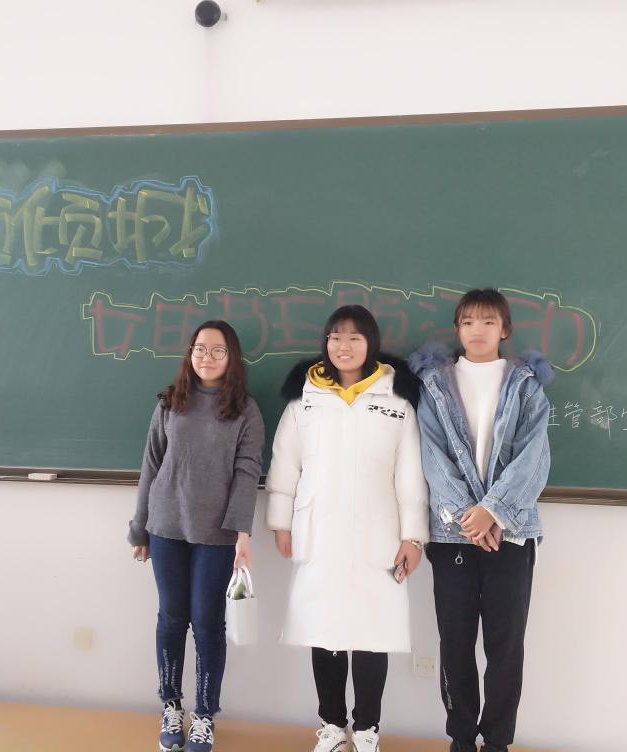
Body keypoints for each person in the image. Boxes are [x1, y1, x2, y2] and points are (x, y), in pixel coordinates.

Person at [266, 304, 429, 752]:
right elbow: (284, 466)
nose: (344, 345)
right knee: (325, 631)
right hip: (320, 532)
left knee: (374, 633)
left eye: (355, 337)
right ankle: (333, 727)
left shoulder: (396, 402)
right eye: (336, 336)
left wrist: (413, 536)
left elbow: (410, 475)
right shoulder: (305, 401)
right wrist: (281, 522)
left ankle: (368, 729)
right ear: (325, 343)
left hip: (380, 535)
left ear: (371, 343)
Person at [409, 288, 553, 752]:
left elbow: (534, 456)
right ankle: (460, 738)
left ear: (504, 330)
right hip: (452, 536)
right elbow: (431, 455)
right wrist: (468, 517)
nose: (477, 330)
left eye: (488, 321)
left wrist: (494, 511)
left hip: (511, 534)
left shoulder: (526, 385)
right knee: (455, 644)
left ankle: (496, 742)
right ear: (457, 329)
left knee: (505, 646)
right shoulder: (435, 384)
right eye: (468, 321)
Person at [128, 320, 265, 752]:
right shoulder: (171, 402)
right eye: (200, 348)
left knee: (207, 622)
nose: (207, 356)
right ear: (190, 353)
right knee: (172, 617)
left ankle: (205, 715)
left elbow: (248, 473)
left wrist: (243, 533)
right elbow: (151, 465)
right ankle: (171, 706)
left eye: (217, 350)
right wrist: (139, 528)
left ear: (232, 357)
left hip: (216, 534)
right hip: (166, 526)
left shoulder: (245, 410)